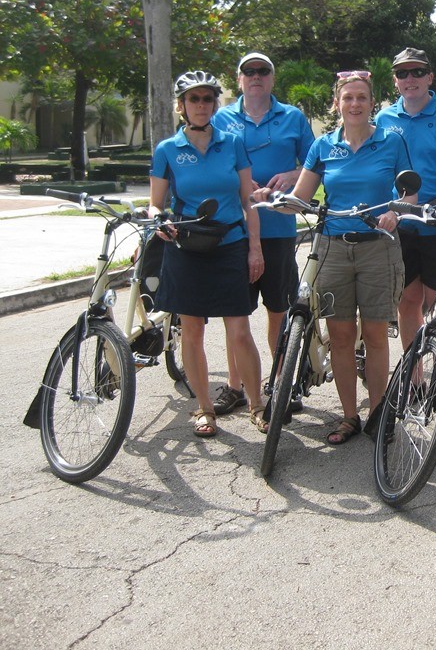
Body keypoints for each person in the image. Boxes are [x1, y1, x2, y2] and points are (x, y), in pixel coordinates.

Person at [256, 72, 412, 445]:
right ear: (337, 104)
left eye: (361, 98)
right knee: (340, 337)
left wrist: (397, 212)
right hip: (332, 246)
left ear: (372, 103)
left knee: (375, 335)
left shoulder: (391, 142)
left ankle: (378, 413)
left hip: (378, 245)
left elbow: (408, 194)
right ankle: (349, 416)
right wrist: (271, 201)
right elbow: (300, 196)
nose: (354, 104)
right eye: (348, 98)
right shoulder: (323, 146)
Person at [148, 71, 266, 438]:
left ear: (216, 104)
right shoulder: (168, 149)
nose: (201, 105)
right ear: (182, 106)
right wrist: (157, 222)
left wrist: (255, 249)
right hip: (187, 246)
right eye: (194, 99)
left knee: (240, 330)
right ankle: (203, 409)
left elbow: (248, 200)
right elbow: (155, 204)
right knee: (192, 332)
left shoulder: (232, 143)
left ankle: (257, 404)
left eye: (207, 99)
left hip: (230, 244)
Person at [210, 52, 315, 416]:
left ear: (272, 78)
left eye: (263, 71)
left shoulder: (293, 117)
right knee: (234, 315)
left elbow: (313, 164)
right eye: (248, 71)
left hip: (279, 229)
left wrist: (292, 175)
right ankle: (235, 387)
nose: (256, 76)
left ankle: (281, 380)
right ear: (239, 79)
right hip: (233, 232)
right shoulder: (221, 118)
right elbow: (209, 162)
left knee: (278, 312)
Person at [375, 47, 436, 354]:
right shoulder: (383, 118)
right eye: (403, 73)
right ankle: (413, 375)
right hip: (401, 226)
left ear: (430, 77)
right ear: (395, 81)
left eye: (418, 72)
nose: (410, 78)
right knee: (408, 302)